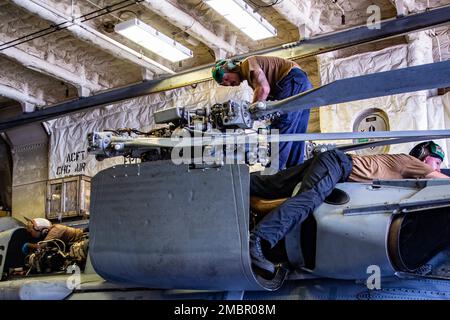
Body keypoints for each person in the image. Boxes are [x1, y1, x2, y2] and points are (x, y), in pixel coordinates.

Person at [249, 141, 449, 273]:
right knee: (310, 198)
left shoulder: (405, 174)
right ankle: (259, 240)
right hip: (338, 165)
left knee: (269, 185)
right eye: (437, 161)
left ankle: (225, 181)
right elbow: (443, 183)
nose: (438, 167)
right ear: (423, 155)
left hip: (332, 163)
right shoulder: (412, 163)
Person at [212, 55, 313, 170]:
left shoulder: (247, 64)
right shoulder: (250, 75)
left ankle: (274, 172)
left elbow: (264, 89)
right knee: (297, 133)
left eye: (226, 78)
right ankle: (295, 171)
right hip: (302, 83)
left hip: (292, 80)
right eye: (226, 84)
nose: (229, 83)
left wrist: (250, 113)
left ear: (230, 68)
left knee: (281, 127)